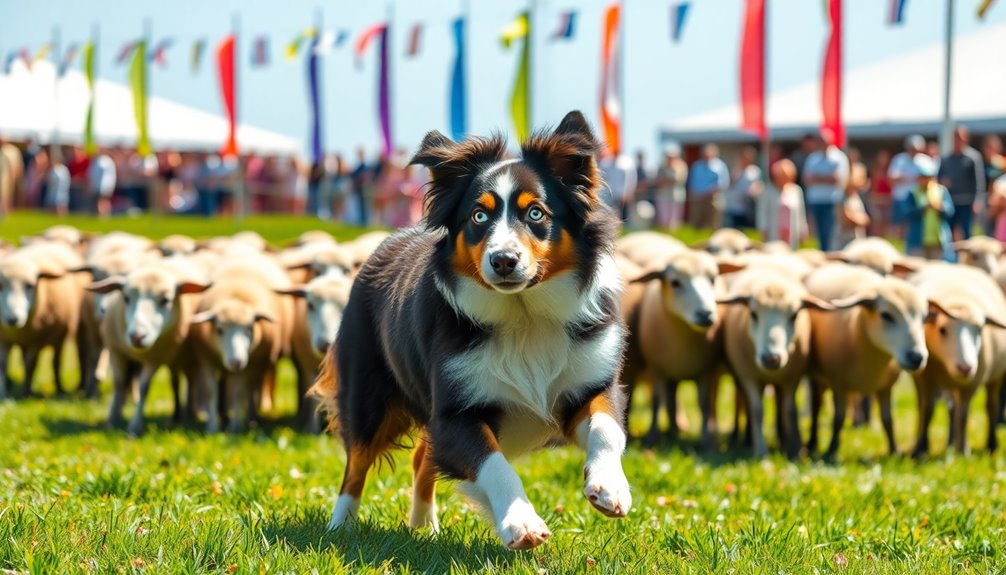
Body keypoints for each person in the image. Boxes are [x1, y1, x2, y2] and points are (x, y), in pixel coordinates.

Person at [802, 131, 848, 251]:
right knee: (819, 233)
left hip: (831, 201)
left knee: (831, 232)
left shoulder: (839, 157)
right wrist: (827, 177)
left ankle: (830, 254)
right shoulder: (812, 158)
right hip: (816, 201)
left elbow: (837, 179)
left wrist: (817, 178)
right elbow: (807, 179)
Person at [938, 125, 986, 240]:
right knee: (948, 232)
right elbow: (938, 179)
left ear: (966, 138)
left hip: (967, 203)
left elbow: (979, 181)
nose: (958, 140)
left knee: (967, 233)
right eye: (955, 137)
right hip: (950, 202)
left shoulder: (973, 157)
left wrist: (978, 201)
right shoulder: (946, 159)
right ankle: (949, 257)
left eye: (960, 137)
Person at [906, 155, 954, 261]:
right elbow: (907, 213)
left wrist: (940, 208)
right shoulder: (912, 193)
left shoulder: (941, 191)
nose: (926, 180)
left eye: (929, 177)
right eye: (923, 177)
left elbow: (950, 211)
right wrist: (923, 208)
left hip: (938, 241)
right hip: (918, 242)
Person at [758, 158, 807, 248]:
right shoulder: (767, 191)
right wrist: (763, 229)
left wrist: (803, 231)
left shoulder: (796, 190)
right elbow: (762, 212)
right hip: (774, 232)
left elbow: (801, 213)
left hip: (791, 233)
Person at [887, 135, 925, 239]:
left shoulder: (924, 160)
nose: (914, 151)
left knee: (914, 225)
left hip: (918, 199)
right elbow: (892, 177)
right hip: (901, 198)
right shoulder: (899, 159)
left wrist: (904, 177)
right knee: (899, 225)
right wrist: (911, 177)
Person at [686, 143, 729, 229]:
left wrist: (712, 191)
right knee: (696, 223)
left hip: (714, 199)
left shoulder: (720, 166)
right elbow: (692, 182)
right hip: (698, 198)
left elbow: (724, 182)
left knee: (713, 224)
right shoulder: (697, 166)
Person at [722, 145, 762, 229]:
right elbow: (728, 185)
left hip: (746, 208)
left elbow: (758, 185)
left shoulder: (755, 171)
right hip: (733, 207)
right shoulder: (735, 170)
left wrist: (753, 191)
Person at [651, 143, 687, 230]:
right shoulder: (661, 166)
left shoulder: (681, 166)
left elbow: (679, 179)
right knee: (663, 220)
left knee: (674, 221)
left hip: (676, 197)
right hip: (662, 196)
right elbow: (657, 181)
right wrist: (668, 180)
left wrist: (666, 180)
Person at [598, 152, 637, 220]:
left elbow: (629, 180)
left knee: (620, 213)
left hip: (620, 194)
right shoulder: (606, 164)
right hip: (609, 194)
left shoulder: (624, 165)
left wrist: (628, 192)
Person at [88, 148, 117, 218]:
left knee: (102, 201)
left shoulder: (104, 161)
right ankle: (104, 215)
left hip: (103, 186)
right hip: (103, 186)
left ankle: (103, 215)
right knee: (103, 201)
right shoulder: (99, 161)